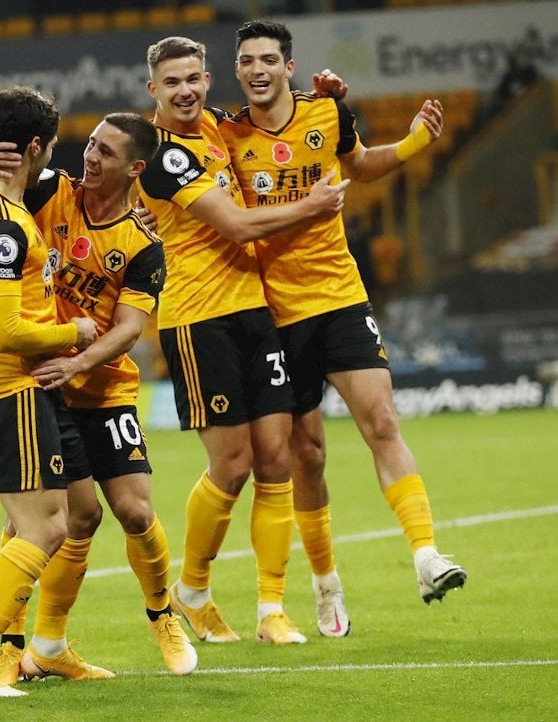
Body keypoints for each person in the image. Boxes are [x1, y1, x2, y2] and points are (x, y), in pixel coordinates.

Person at [219, 19, 467, 637]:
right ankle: (326, 584)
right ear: (238, 70)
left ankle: (425, 554)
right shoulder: (223, 134)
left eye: (268, 59)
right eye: (247, 59)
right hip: (274, 313)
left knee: (381, 421)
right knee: (308, 456)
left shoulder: (328, 112)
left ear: (288, 66)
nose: (257, 69)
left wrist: (412, 144)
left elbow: (360, 166)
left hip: (338, 295)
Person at [0, 112, 198, 680]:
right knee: (52, 519)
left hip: (102, 384)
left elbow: (130, 326)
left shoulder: (143, 243)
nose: (90, 157)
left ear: (135, 168)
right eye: (90, 145)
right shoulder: (49, 191)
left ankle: (162, 613)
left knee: (134, 511)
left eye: (106, 153)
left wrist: (80, 362)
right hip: (38, 375)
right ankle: (28, 647)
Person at [136, 36, 349, 646]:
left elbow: (279, 115)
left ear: (207, 81)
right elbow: (235, 224)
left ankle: (271, 608)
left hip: (256, 309)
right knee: (232, 466)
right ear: (153, 89)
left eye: (193, 79)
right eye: (171, 82)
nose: (184, 91)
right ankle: (194, 589)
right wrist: (310, 207)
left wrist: (330, 95)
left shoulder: (214, 127)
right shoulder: (162, 153)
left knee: (277, 458)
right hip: (198, 318)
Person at [0, 86, 98, 699]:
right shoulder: (0, 228)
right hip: (10, 385)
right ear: (34, 147)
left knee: (66, 517)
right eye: (50, 147)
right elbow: (6, 331)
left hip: (24, 386)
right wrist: (74, 331)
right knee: (41, 529)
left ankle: (30, 651)